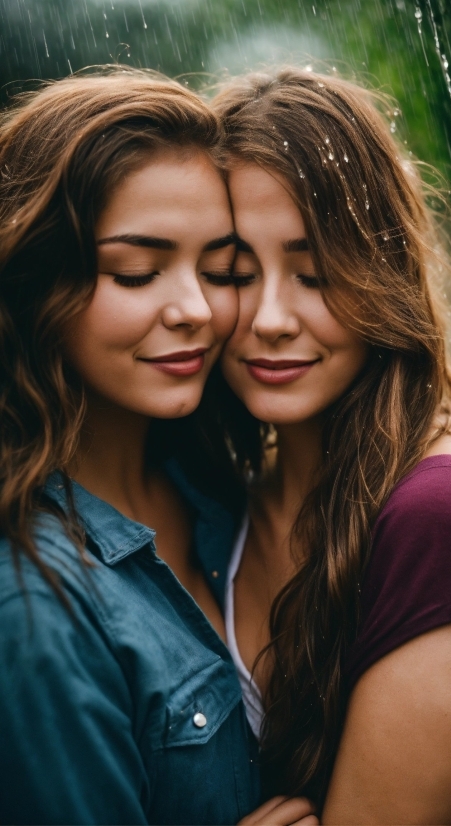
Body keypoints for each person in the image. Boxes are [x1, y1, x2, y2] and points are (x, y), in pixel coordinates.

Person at [209, 68, 451, 824]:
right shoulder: (228, 486)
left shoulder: (448, 516)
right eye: (234, 271)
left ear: (381, 269)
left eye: (315, 273)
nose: (269, 317)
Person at [0, 68, 316, 826]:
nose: (198, 310)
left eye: (220, 270)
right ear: (35, 285)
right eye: (137, 272)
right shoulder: (32, 608)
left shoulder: (220, 485)